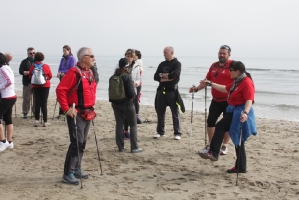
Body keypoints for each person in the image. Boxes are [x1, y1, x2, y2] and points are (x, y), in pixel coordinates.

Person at [198, 61, 257, 174]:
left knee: (220, 126)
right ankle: (241, 167)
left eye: (231, 70)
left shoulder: (246, 82)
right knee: (238, 139)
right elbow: (225, 88)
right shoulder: (237, 82)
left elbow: (250, 99)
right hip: (233, 111)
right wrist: (210, 83)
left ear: (238, 71)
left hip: (239, 112)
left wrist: (245, 112)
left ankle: (213, 152)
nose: (229, 72)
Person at [56, 47, 97, 185]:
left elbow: (92, 88)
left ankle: (77, 168)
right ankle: (68, 173)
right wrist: (67, 109)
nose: (94, 58)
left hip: (88, 112)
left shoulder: (89, 72)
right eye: (91, 56)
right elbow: (60, 90)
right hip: (76, 113)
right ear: (84, 58)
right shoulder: (74, 72)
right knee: (76, 143)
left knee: (83, 142)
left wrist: (92, 103)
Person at [189, 45, 234, 155]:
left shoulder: (232, 66)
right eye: (220, 53)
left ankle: (224, 146)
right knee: (210, 122)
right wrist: (196, 89)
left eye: (224, 53)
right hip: (215, 100)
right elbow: (206, 80)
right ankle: (211, 144)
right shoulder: (214, 65)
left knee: (227, 123)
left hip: (228, 100)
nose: (221, 55)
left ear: (229, 55)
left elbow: (237, 81)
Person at [111, 58, 143, 153]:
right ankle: (134, 147)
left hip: (115, 103)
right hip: (127, 104)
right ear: (127, 67)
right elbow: (132, 93)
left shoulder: (113, 77)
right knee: (133, 124)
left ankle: (120, 147)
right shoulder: (127, 77)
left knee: (119, 124)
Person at [153, 46, 185, 140]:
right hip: (161, 90)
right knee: (160, 112)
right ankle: (160, 131)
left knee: (175, 112)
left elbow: (174, 77)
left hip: (172, 91)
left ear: (171, 53)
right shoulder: (162, 64)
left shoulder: (177, 64)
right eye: (163, 53)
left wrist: (163, 76)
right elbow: (155, 77)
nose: (164, 54)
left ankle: (177, 133)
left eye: (165, 52)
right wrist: (165, 77)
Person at [29, 52, 52, 127]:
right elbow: (50, 76)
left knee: (37, 103)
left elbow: (30, 75)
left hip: (36, 86)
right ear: (42, 58)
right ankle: (45, 121)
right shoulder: (46, 66)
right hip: (45, 86)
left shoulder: (33, 66)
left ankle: (36, 120)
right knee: (44, 103)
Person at [0, 53, 17, 152]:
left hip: (7, 96)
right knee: (8, 118)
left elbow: (9, 81)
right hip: (11, 96)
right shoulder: (7, 67)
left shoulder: (2, 68)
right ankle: (9, 142)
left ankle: (3, 141)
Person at [122, 49, 141, 138]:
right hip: (122, 92)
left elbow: (138, 79)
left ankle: (127, 130)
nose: (129, 58)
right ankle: (123, 130)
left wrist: (135, 83)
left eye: (131, 57)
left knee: (130, 112)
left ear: (133, 57)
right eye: (127, 56)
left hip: (132, 91)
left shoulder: (136, 66)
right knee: (123, 113)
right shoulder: (121, 64)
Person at [57, 45, 77, 118]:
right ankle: (61, 112)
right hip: (62, 78)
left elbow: (72, 68)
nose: (64, 52)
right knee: (61, 93)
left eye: (65, 50)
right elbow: (59, 68)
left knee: (67, 94)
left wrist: (63, 72)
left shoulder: (72, 59)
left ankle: (67, 111)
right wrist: (60, 72)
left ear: (69, 50)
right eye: (63, 51)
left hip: (68, 78)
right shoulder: (62, 59)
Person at [19, 47, 35, 118]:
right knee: (26, 98)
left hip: (36, 83)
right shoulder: (24, 62)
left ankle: (35, 112)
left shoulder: (37, 61)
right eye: (30, 53)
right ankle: (25, 112)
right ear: (28, 53)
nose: (32, 54)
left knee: (36, 99)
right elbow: (20, 71)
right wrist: (28, 72)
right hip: (27, 83)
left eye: (33, 53)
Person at [134, 50, 143, 124]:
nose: (133, 56)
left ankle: (137, 114)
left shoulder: (138, 63)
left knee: (136, 99)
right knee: (134, 99)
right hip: (136, 83)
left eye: (135, 55)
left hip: (137, 84)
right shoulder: (134, 63)